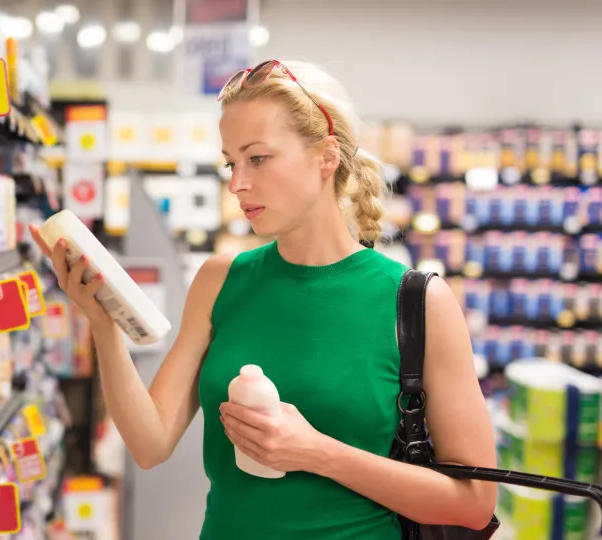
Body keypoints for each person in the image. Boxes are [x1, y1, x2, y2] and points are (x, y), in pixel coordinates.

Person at [29, 59, 497, 539]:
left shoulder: (418, 303)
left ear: (325, 156)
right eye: (231, 162)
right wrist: (104, 322)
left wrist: (314, 451)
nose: (237, 185)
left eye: (258, 158)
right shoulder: (221, 279)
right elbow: (150, 444)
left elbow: (474, 504)